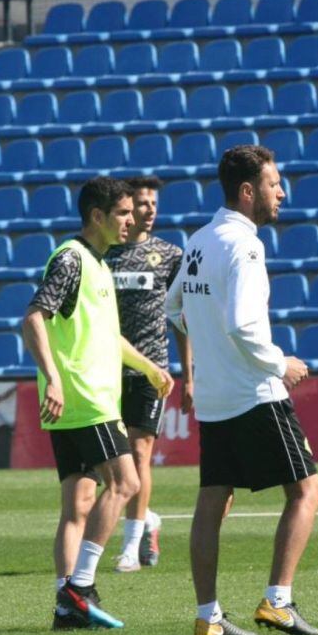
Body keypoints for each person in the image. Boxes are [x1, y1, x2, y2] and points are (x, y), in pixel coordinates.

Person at [166, 145, 318, 635]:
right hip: (254, 392)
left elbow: (173, 308)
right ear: (247, 191)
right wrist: (282, 363)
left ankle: (208, 615)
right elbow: (242, 324)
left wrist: (202, 359)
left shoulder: (198, 239)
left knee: (213, 498)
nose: (282, 193)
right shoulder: (246, 245)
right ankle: (278, 601)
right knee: (308, 490)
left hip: (215, 398)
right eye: (275, 184)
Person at [22, 176, 174, 630]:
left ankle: (65, 608)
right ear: (97, 216)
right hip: (85, 397)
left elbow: (107, 335)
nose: (131, 220)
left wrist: (148, 367)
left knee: (78, 504)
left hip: (76, 400)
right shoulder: (72, 260)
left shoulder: (99, 265)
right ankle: (81, 586)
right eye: (124, 213)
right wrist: (52, 376)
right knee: (125, 483)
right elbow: (33, 317)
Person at [104, 176, 193, 573]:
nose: (149, 209)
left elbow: (181, 317)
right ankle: (148, 519)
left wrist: (187, 373)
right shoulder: (105, 255)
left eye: (153, 203)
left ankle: (130, 544)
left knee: (140, 454)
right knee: (110, 461)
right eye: (141, 203)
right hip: (105, 369)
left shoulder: (170, 255)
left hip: (151, 369)